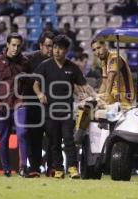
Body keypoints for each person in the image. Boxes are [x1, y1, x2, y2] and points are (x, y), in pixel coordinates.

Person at [33, 35, 93, 179]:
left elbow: (84, 85)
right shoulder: (45, 65)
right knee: (53, 142)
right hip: (50, 111)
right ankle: (58, 169)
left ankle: (72, 168)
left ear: (66, 50)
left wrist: (94, 96)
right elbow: (36, 83)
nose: (56, 51)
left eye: (60, 48)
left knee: (68, 140)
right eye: (54, 47)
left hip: (66, 111)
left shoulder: (73, 68)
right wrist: (40, 94)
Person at [0, 33, 32, 178]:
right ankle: (6, 169)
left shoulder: (25, 62)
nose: (16, 48)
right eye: (13, 45)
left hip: (20, 103)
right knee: (4, 138)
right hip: (2, 106)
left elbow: (30, 81)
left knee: (22, 133)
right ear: (7, 44)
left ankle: (23, 167)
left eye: (18, 46)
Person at [23, 31, 55, 177]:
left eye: (52, 46)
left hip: (51, 105)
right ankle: (34, 168)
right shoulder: (30, 60)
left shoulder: (57, 60)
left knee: (53, 137)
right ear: (40, 45)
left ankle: (52, 168)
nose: (50, 49)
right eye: (48, 46)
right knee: (34, 137)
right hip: (33, 104)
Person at [91, 38, 135, 108]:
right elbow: (104, 83)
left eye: (99, 48)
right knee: (90, 102)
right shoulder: (103, 62)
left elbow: (110, 79)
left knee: (101, 108)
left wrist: (106, 97)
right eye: (94, 50)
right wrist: (97, 98)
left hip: (124, 96)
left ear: (105, 46)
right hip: (113, 94)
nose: (97, 52)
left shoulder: (114, 58)